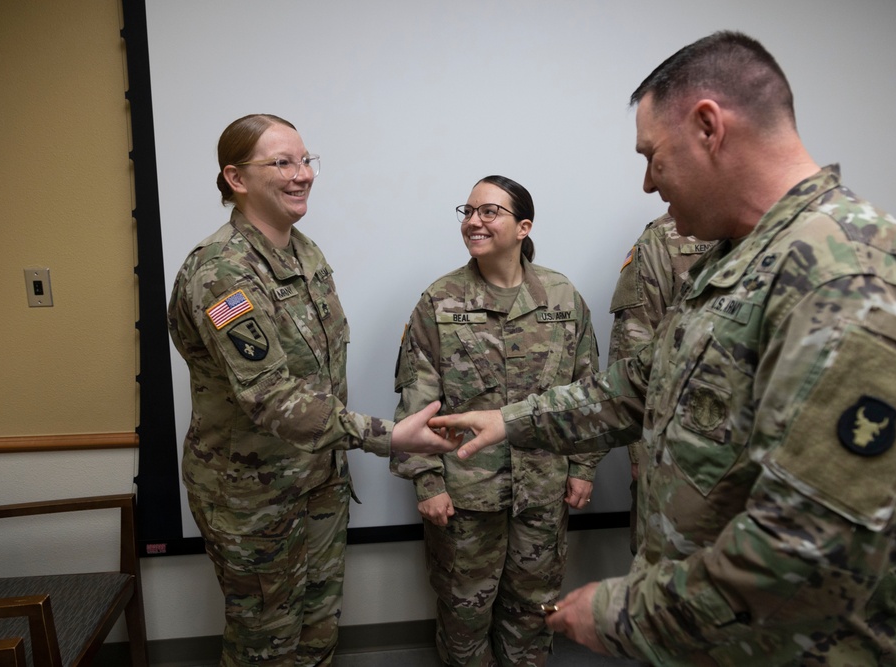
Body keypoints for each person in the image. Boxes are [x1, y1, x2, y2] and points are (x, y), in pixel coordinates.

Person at [430, 31, 896, 665]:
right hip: (713, 638)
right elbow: (634, 387)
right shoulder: (737, 261)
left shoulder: (851, 282)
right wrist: (508, 421)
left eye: (653, 155)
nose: (648, 183)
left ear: (708, 126)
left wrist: (623, 613)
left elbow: (811, 549)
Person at [167, 114, 456, 667]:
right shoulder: (222, 272)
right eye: (282, 162)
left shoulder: (305, 253)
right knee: (266, 645)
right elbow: (272, 397)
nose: (302, 175)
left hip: (318, 480)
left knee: (318, 631)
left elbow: (321, 372)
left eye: (305, 160)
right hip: (253, 496)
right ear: (236, 178)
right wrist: (388, 435)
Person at [391, 175, 604, 666]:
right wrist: (427, 483)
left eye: (489, 212)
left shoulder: (562, 297)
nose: (473, 222)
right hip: (466, 496)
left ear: (523, 226)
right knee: (465, 617)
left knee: (534, 614)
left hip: (543, 492)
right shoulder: (439, 301)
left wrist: (584, 467)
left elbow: (589, 391)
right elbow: (415, 401)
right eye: (467, 211)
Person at [608, 213, 715, 554]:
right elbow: (633, 352)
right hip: (678, 459)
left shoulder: (793, 234)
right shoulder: (664, 239)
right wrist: (641, 452)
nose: (650, 183)